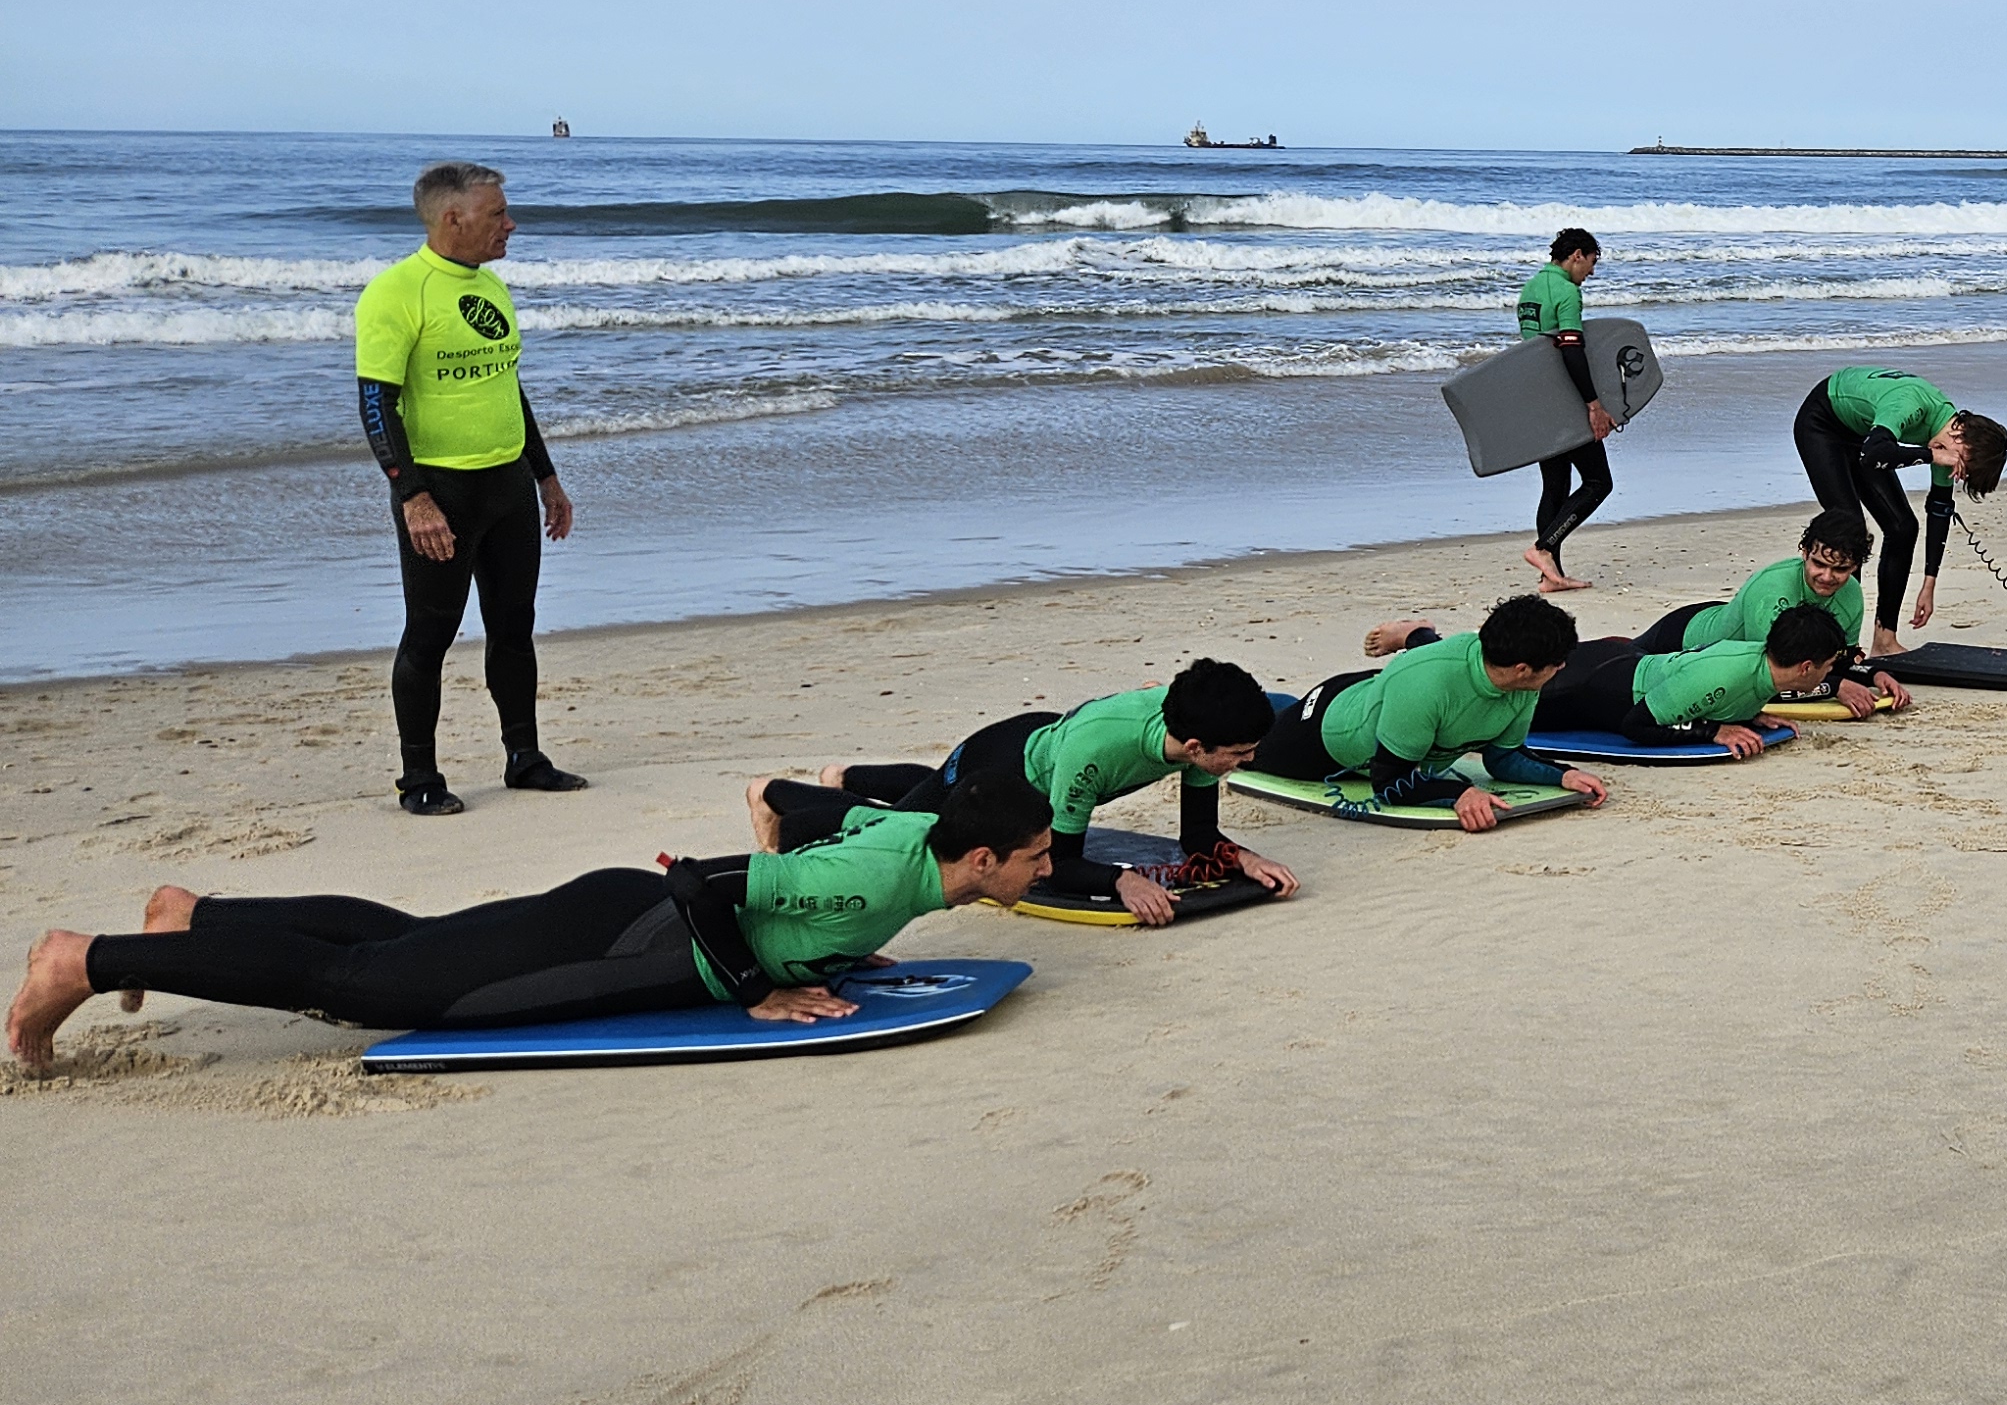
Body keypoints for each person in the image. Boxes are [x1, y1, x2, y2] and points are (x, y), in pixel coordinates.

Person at [12, 769, 1060, 1067]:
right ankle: (84, 961)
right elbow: (704, 882)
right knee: (365, 989)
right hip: (631, 938)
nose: (1044, 867)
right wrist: (763, 987)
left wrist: (831, 944)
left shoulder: (917, 838)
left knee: (405, 940)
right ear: (980, 858)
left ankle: (194, 914)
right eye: (1035, 857)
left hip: (613, 908)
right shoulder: (884, 881)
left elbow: (802, 810)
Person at [356, 160, 582, 816]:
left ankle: (525, 758)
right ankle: (419, 779)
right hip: (442, 495)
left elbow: (506, 385)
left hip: (507, 486)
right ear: (452, 218)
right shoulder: (397, 294)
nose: (511, 224)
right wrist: (412, 495)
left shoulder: (490, 287)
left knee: (515, 628)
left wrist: (546, 476)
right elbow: (377, 404)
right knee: (430, 637)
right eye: (498, 214)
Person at [752, 661, 1297, 925]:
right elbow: (1061, 859)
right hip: (1001, 765)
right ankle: (777, 796)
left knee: (931, 789)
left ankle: (845, 776)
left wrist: (1241, 856)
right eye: (1240, 753)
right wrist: (1121, 879)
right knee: (905, 826)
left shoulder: (1200, 738)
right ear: (1198, 745)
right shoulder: (1098, 753)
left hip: (1042, 743)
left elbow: (1197, 833)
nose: (1248, 762)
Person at [1260, 597, 1609, 832]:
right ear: (1522, 668)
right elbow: (1388, 781)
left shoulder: (1520, 683)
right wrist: (1457, 794)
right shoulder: (1425, 685)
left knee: (1439, 676)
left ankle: (1414, 633)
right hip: (1323, 729)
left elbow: (1503, 758)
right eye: (1556, 664)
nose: (1562, 668)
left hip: (1395, 693)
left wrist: (1562, 776)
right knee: (1252, 739)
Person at [1791, 368, 2007, 657]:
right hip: (1822, 421)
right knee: (1849, 531)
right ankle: (1840, 645)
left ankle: (1884, 640)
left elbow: (1940, 510)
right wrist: (1932, 455)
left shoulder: (1947, 442)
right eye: (1960, 464)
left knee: (1903, 527)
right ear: (1962, 434)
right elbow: (1874, 455)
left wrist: (1928, 584)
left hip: (1863, 435)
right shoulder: (1911, 405)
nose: (1954, 470)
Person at [1637, 512, 1910, 716]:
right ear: (1804, 552)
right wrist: (1836, 686)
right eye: (1819, 564)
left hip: (1732, 623)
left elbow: (1840, 659)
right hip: (1684, 640)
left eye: (1840, 570)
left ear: (1855, 566)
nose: (1827, 577)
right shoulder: (1773, 589)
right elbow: (1769, 676)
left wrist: (1873, 674)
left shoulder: (1851, 595)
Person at [1536, 605, 1849, 756]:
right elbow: (1636, 725)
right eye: (1830, 665)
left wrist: (1748, 714)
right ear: (1806, 667)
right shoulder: (1725, 674)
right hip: (1584, 685)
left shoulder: (1765, 665)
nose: (1831, 672)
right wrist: (1712, 730)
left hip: (1622, 660)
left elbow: (1720, 695)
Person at [1518, 229, 1616, 595]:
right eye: (1591, 263)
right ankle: (1543, 550)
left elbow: (1534, 351)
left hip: (1538, 399)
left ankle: (1551, 576)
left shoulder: (1530, 289)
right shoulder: (1566, 292)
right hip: (1565, 401)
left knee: (1555, 487)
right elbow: (1571, 352)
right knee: (1598, 482)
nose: (1590, 273)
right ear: (1577, 255)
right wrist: (1594, 405)